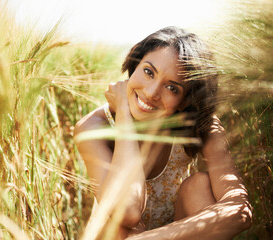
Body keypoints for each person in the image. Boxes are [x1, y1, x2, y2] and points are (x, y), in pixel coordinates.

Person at [74, 26, 252, 239]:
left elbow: (239, 209)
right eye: (148, 72)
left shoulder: (201, 127)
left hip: (174, 234)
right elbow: (128, 212)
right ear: (135, 63)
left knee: (199, 185)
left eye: (172, 88)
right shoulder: (95, 127)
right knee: (122, 225)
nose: (151, 93)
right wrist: (123, 114)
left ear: (185, 101)